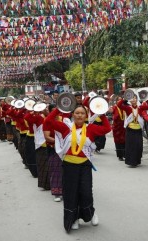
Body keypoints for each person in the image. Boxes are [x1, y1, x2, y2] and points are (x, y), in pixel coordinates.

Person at [44, 105, 111, 233]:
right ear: (72, 115)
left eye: (82, 113)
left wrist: (100, 113)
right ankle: (73, 218)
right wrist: (59, 109)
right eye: (77, 113)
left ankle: (90, 214)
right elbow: (48, 121)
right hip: (69, 165)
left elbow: (107, 128)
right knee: (70, 193)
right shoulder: (65, 128)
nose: (80, 115)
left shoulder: (91, 128)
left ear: (86, 116)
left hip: (85, 165)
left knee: (86, 192)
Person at [117, 95, 148, 167]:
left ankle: (137, 160)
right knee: (130, 146)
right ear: (130, 100)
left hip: (138, 130)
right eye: (132, 98)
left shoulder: (140, 108)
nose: (133, 100)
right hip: (130, 130)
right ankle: (131, 162)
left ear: (137, 100)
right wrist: (125, 98)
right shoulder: (127, 108)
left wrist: (146, 99)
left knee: (138, 146)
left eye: (135, 98)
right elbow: (119, 105)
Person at [43, 104, 63, 202]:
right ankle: (57, 193)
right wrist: (58, 142)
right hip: (53, 148)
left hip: (64, 149)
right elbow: (47, 137)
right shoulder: (47, 121)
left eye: (57, 111)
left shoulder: (63, 120)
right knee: (55, 170)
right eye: (54, 111)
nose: (56, 113)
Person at [109, 96, 126, 161]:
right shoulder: (115, 107)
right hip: (116, 128)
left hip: (124, 127)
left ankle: (125, 154)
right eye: (118, 100)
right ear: (116, 101)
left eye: (121, 100)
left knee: (124, 141)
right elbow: (110, 110)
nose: (120, 101)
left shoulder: (124, 107)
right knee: (118, 142)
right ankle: (120, 156)